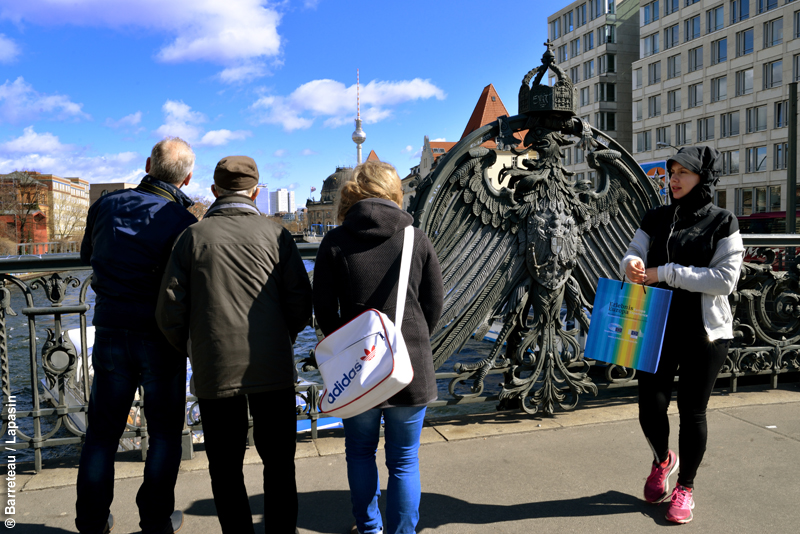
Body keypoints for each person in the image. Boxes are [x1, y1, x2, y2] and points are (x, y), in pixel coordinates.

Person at [155, 156, 312, 534]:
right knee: (279, 465)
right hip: (272, 367)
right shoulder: (277, 235)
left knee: (225, 468)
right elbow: (299, 304)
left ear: (214, 191)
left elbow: (169, 312)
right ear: (256, 191)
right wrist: (281, 340)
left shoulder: (192, 237)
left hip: (216, 369)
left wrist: (197, 348)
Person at [313, 161, 444, 534]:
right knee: (404, 461)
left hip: (358, 369)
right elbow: (434, 303)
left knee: (359, 452)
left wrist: (350, 349)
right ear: (394, 193)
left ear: (352, 194)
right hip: (408, 366)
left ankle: (369, 528)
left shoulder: (335, 241)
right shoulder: (415, 237)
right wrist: (410, 343)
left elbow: (323, 310)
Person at [76, 137, 198, 534]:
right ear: (188, 177)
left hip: (110, 329)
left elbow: (86, 255)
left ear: (148, 164)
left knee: (101, 433)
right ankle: (156, 521)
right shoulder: (184, 223)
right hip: (160, 336)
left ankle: (92, 522)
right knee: (164, 434)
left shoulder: (106, 205)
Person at [620, 146, 744, 524]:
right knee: (650, 406)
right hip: (653, 325)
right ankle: (663, 460)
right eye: (671, 172)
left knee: (692, 412)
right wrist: (633, 265)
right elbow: (633, 251)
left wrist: (665, 272)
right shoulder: (656, 216)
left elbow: (725, 280)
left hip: (704, 333)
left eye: (682, 173)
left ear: (702, 178)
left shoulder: (724, 221)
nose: (672, 179)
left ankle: (685, 487)